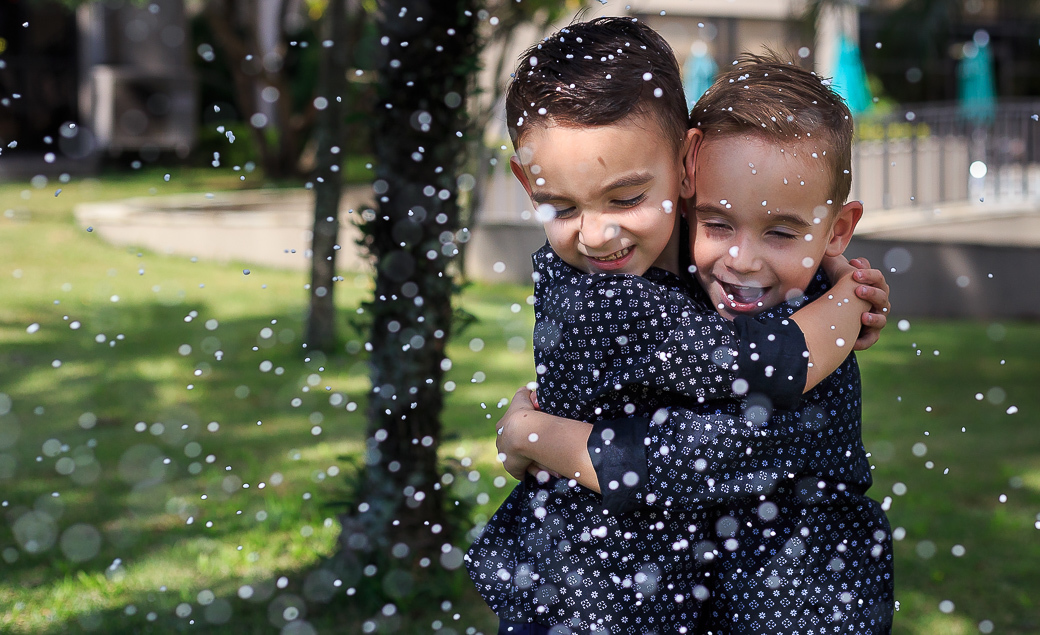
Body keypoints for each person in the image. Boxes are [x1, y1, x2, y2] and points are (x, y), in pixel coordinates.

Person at [465, 17, 891, 635]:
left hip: (777, 587)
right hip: (603, 594)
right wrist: (846, 305)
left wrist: (835, 269)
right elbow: (748, 392)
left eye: (626, 197)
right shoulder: (598, 299)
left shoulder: (716, 257)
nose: (597, 233)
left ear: (685, 166)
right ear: (528, 183)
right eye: (560, 205)